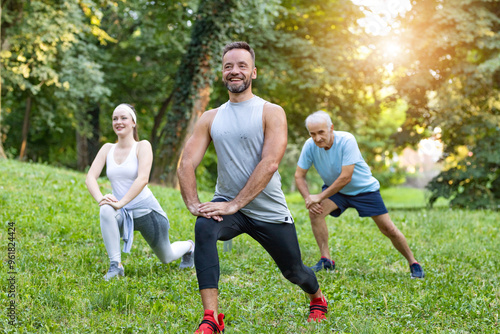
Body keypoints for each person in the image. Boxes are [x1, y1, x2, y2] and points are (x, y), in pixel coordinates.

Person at [177, 42, 328, 334]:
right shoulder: (210, 117)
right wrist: (193, 203)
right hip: (228, 205)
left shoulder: (271, 112)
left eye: (241, 66)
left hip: (267, 210)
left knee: (294, 271)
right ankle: (211, 318)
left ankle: (317, 299)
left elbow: (270, 162)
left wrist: (236, 203)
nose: (234, 71)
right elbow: (186, 164)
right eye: (229, 66)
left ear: (253, 72)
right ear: (223, 73)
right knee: (204, 227)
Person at [295, 110, 425, 279]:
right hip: (337, 191)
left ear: (331, 128)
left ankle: (413, 262)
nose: (317, 138)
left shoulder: (346, 140)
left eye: (321, 132)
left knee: (388, 228)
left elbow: (346, 177)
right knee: (316, 214)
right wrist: (308, 199)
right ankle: (326, 260)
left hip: (364, 190)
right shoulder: (310, 146)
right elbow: (299, 175)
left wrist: (318, 197)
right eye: (313, 134)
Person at [85, 103, 194, 281]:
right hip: (122, 212)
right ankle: (116, 266)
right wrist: (101, 199)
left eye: (123, 118)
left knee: (166, 257)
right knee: (105, 209)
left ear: (133, 122)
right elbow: (90, 177)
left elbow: (143, 179)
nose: (118, 122)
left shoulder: (142, 146)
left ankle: (189, 247)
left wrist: (120, 203)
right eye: (115, 118)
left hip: (147, 213)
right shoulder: (107, 149)